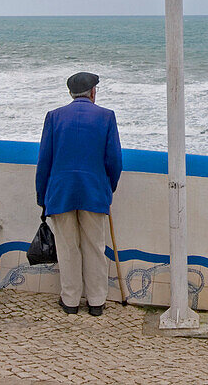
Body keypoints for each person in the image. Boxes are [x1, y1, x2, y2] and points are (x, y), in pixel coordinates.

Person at [35, 71, 122, 316]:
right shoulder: (106, 117)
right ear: (93, 92)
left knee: (67, 248)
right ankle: (96, 302)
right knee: (95, 246)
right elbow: (114, 160)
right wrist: (109, 188)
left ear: (70, 93)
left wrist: (42, 197)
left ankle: (71, 301)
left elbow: (44, 161)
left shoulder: (54, 117)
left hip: (60, 192)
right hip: (94, 192)